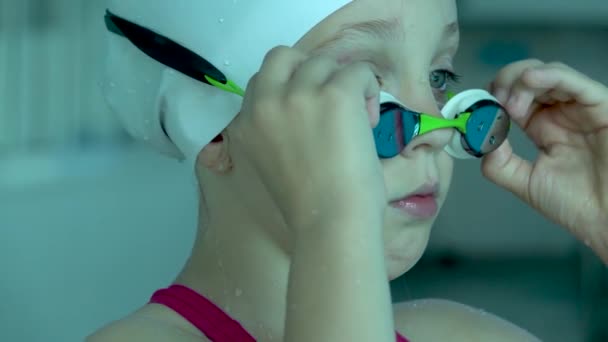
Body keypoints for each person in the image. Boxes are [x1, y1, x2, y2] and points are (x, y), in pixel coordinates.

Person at [88, 0, 608, 341]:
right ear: (213, 126)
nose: (433, 131)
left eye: (439, 74)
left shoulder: (457, 333)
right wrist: (333, 217)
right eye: (356, 83)